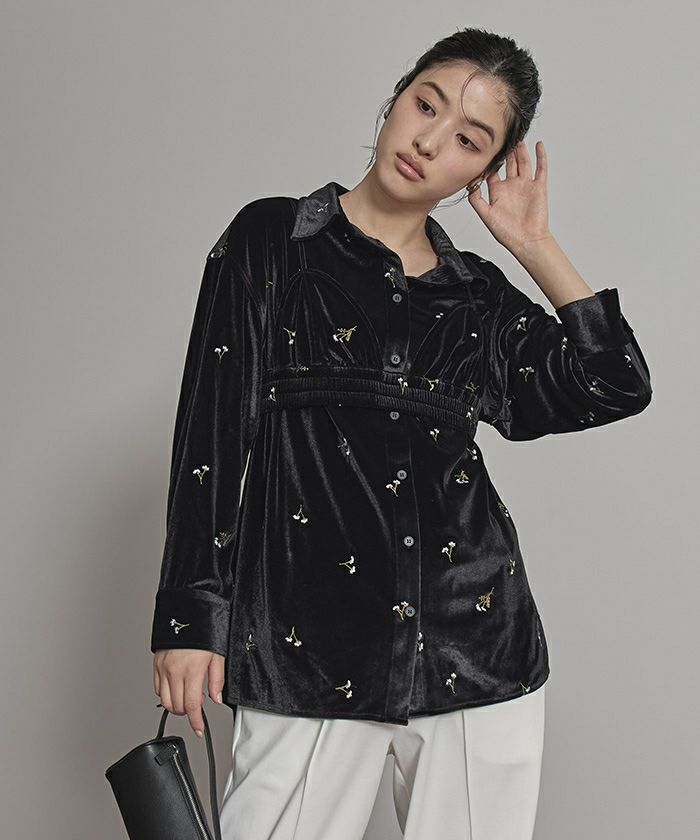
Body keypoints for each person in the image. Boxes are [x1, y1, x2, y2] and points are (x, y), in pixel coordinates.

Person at [151, 26, 652, 840]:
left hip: (478, 649)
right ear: (396, 99)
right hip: (306, 647)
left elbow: (615, 382)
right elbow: (210, 435)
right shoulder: (273, 242)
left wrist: (533, 244)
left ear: (483, 171)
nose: (429, 140)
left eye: (469, 140)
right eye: (427, 105)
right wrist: (189, 616)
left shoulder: (477, 298)